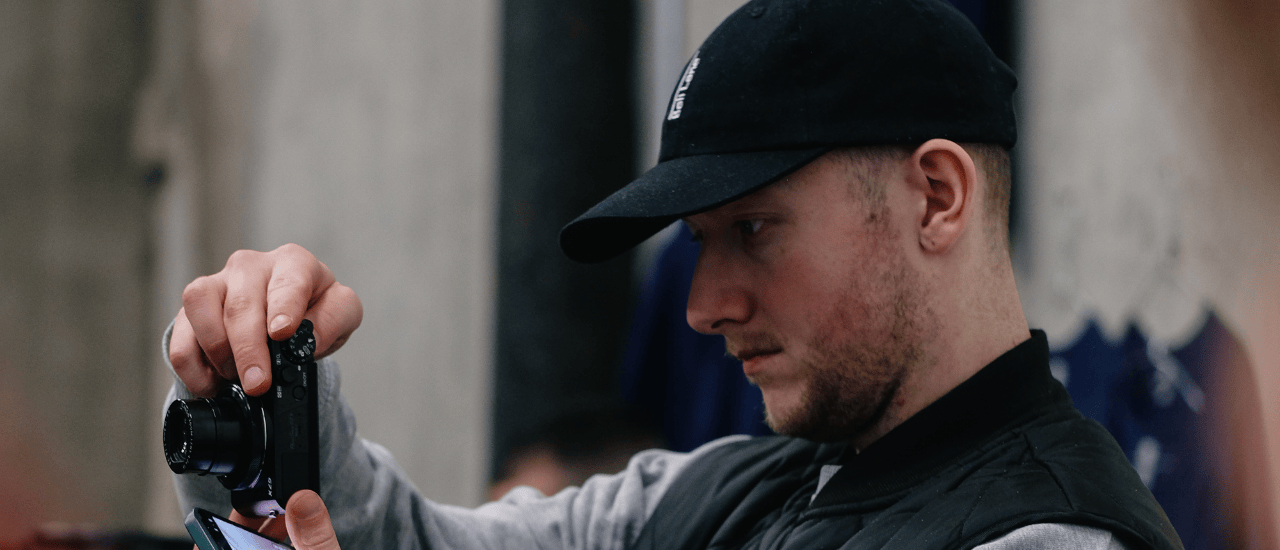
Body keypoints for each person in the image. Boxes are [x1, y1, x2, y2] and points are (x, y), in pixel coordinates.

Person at [164, 0, 1184, 548]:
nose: (703, 306)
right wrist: (256, 393)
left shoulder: (1047, 539)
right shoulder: (711, 493)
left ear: (934, 197)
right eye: (698, 242)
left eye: (755, 229)